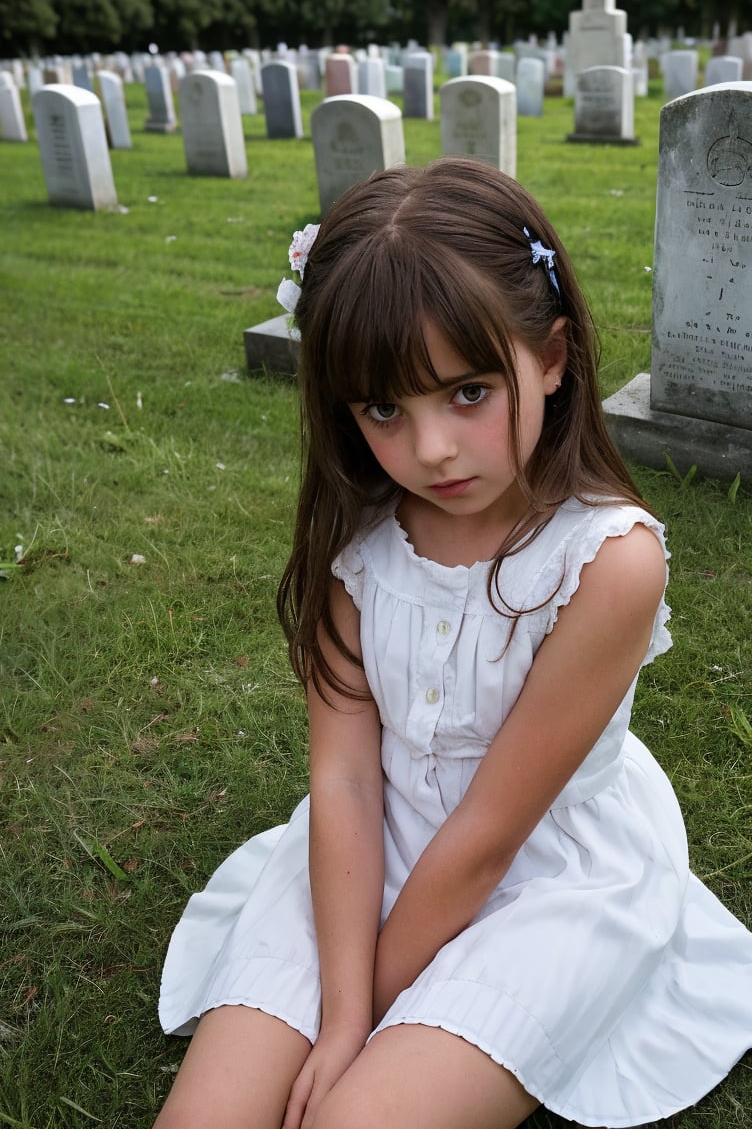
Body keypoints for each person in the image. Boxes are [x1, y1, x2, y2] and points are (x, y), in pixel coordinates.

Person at [154, 159, 752, 1129]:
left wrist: (378, 1024)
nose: (430, 449)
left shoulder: (606, 565)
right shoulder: (363, 540)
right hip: (364, 850)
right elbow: (345, 782)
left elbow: (484, 841)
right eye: (385, 410)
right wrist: (343, 1013)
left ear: (552, 358)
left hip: (541, 876)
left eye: (468, 393)